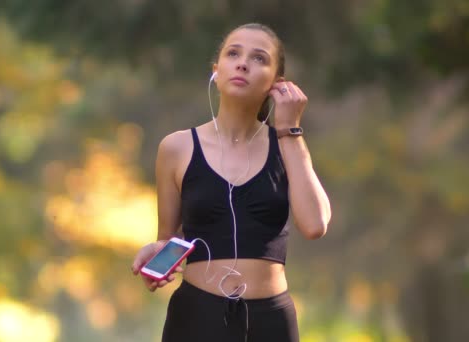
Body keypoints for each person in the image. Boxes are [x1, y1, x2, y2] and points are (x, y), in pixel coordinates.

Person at [131, 23, 331, 342]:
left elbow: (315, 225)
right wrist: (157, 252)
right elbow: (169, 241)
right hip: (195, 317)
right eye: (233, 53)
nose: (242, 63)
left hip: (270, 321)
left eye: (259, 58)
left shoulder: (288, 145)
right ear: (216, 70)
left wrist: (290, 129)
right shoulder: (176, 148)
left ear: (277, 84)